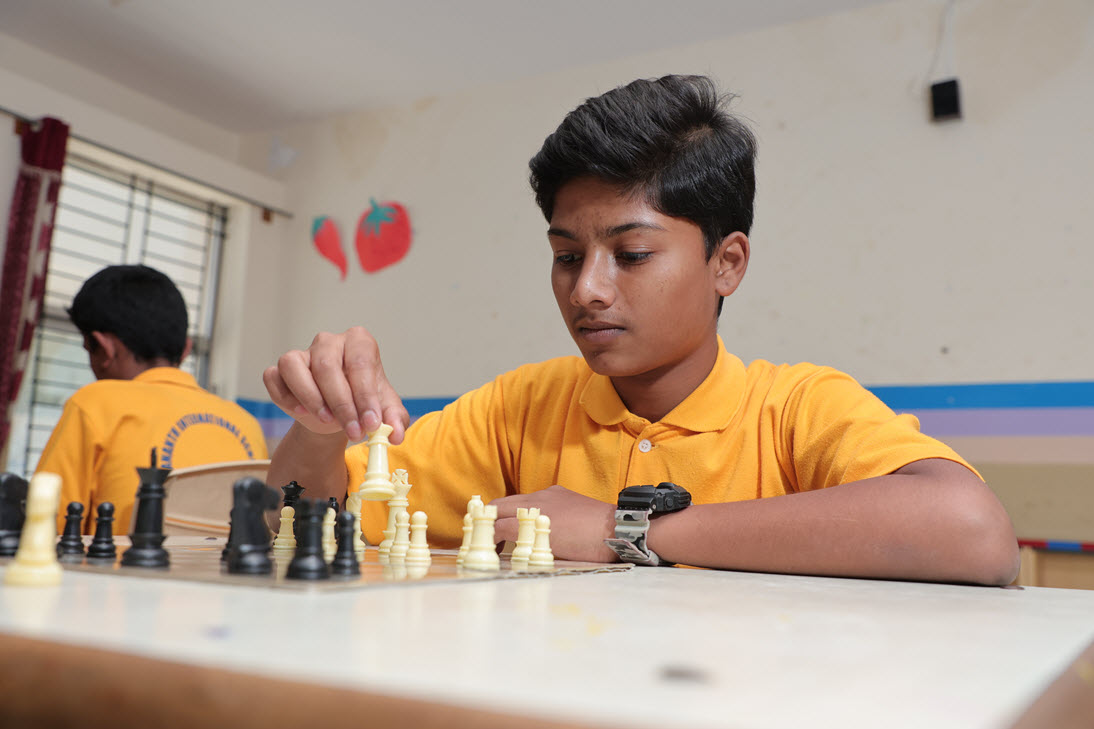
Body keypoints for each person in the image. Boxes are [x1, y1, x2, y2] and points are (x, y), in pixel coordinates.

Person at [263, 75, 1019, 585]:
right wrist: (320, 431)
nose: (586, 289)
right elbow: (292, 522)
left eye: (631, 255)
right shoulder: (520, 408)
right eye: (566, 256)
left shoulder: (794, 409)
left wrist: (619, 530)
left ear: (726, 263)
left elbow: (975, 533)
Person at [37, 264, 268, 533]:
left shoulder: (94, 404)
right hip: (225, 563)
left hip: (119, 563)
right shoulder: (247, 424)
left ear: (103, 348)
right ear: (186, 349)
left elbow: (44, 527)